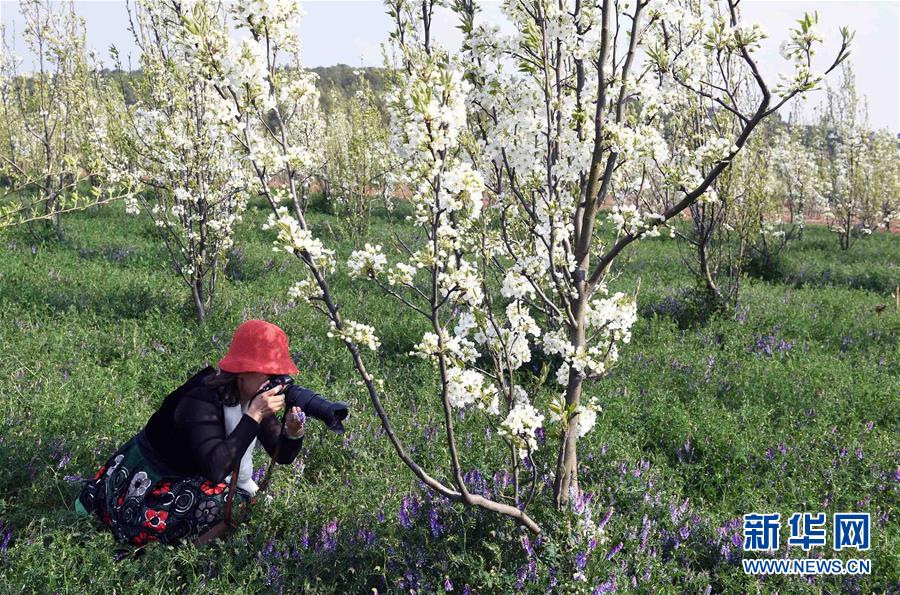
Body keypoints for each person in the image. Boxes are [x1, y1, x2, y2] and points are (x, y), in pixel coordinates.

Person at [75, 319, 308, 546]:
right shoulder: (200, 400)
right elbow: (217, 469)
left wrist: (292, 432)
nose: (276, 382)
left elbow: (281, 455)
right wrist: (254, 415)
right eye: (270, 374)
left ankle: (201, 544)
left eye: (280, 375)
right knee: (233, 505)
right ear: (242, 371)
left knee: (248, 505)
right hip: (151, 482)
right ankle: (183, 558)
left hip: (190, 474)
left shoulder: (251, 394)